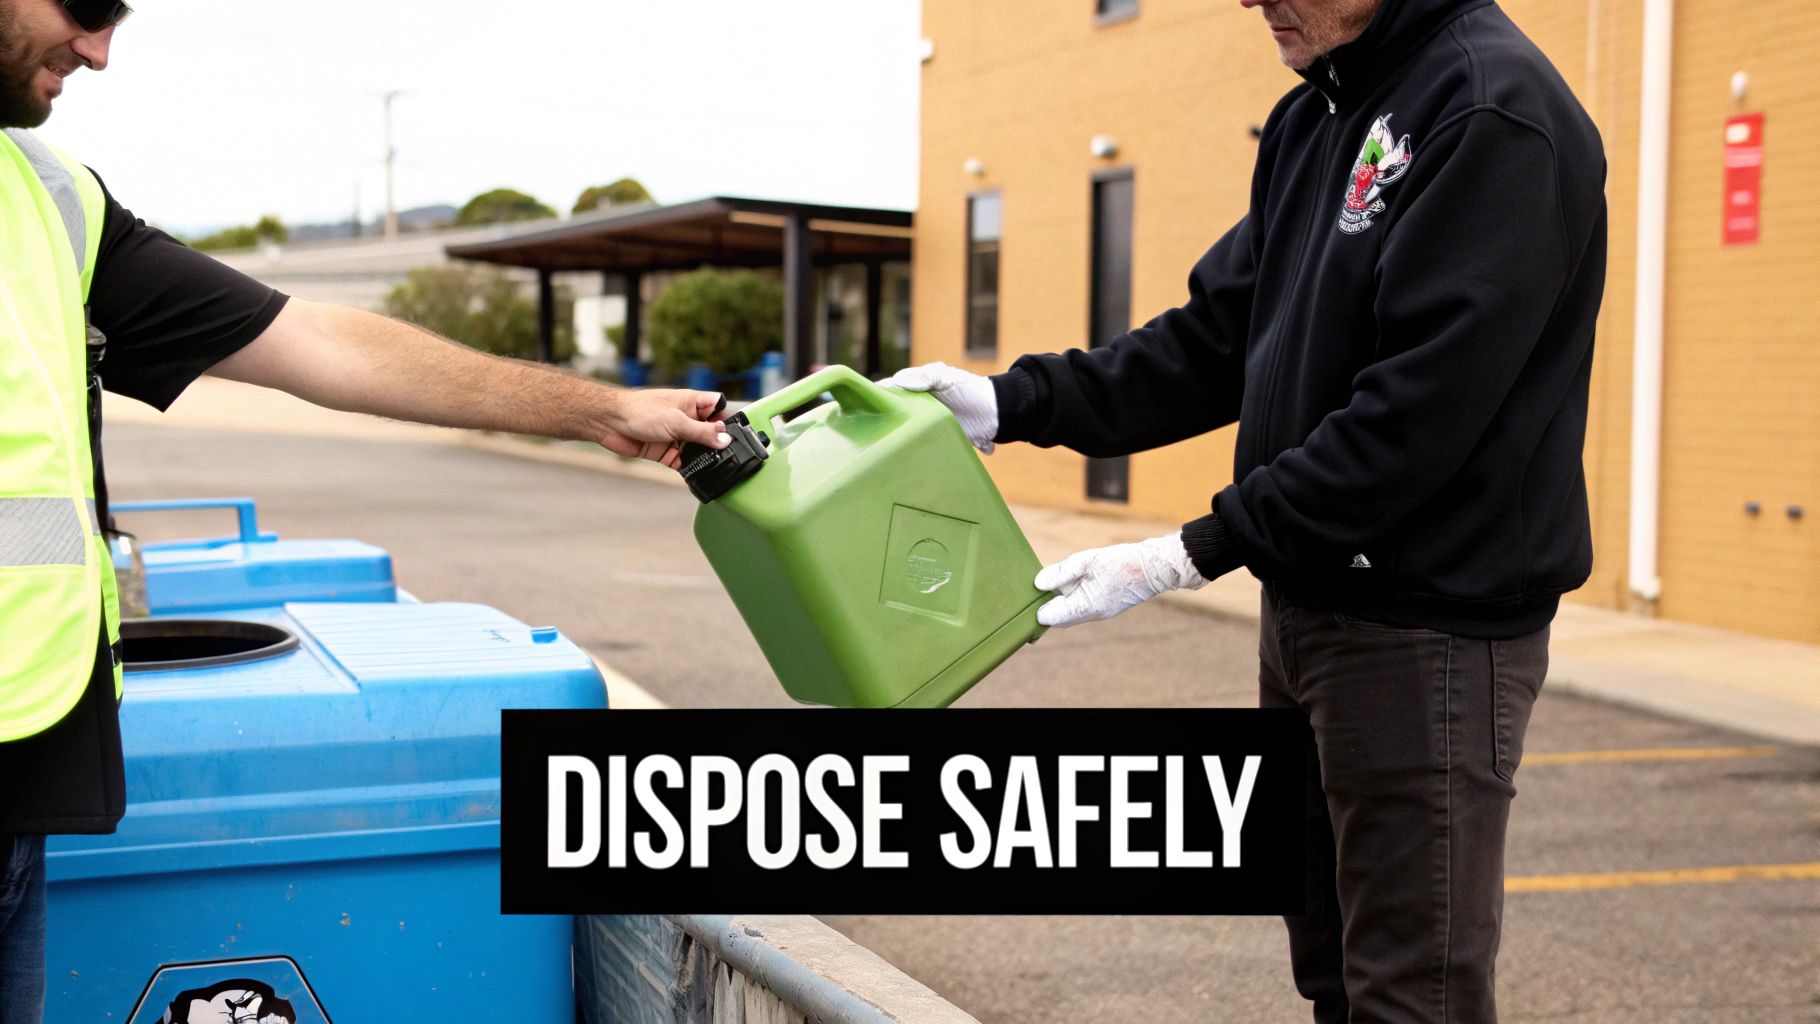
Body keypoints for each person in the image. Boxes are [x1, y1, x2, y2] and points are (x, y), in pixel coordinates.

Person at [0, 3, 729, 1018]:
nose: (100, 50)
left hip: (21, 762)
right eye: (84, 7)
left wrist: (600, 407)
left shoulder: (47, 198)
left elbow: (322, 345)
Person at [892, 0, 1606, 1020]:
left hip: (1425, 630)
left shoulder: (1491, 113)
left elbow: (1413, 418)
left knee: (1411, 990)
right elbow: (1213, 339)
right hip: (1307, 607)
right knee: (1325, 963)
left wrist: (1194, 549)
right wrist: (1016, 401)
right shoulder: (1317, 112)